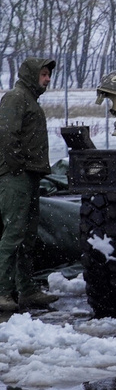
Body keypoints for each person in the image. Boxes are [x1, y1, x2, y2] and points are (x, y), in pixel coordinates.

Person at [0, 57, 58, 312]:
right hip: (16, 176)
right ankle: (3, 291)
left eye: (48, 75)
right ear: (31, 75)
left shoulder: (30, 100)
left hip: (29, 175)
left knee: (28, 236)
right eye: (43, 74)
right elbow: (6, 134)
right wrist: (16, 166)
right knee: (13, 233)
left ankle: (27, 290)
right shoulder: (16, 97)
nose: (47, 79)